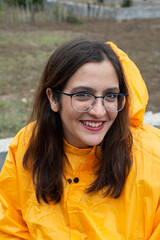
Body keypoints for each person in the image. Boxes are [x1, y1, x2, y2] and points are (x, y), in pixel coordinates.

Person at [0, 38, 160, 240]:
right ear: (53, 98)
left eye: (110, 96)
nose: (99, 111)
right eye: (83, 95)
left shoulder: (154, 156)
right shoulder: (26, 145)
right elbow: (9, 228)